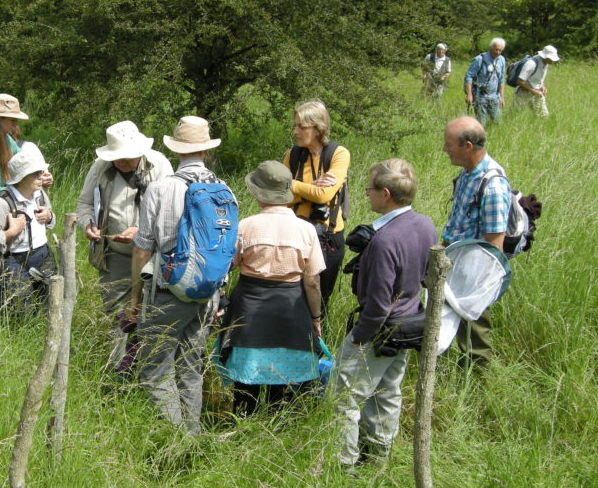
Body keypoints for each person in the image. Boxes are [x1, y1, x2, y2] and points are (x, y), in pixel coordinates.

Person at [128, 116, 235, 434]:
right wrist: (220, 292)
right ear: (205, 150)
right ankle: (193, 433)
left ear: (176, 149)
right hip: (207, 292)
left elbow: (143, 249)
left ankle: (179, 441)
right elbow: (227, 247)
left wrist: (135, 298)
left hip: (167, 290)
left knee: (154, 368)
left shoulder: (160, 189)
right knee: (190, 368)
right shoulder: (223, 190)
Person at [332, 159, 437, 470]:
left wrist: (358, 339)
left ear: (386, 194)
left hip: (379, 331)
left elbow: (378, 304)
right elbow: (427, 275)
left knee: (345, 400)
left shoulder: (383, 241)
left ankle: (345, 468)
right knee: (387, 394)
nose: (366, 195)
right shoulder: (425, 224)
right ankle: (378, 460)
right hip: (408, 327)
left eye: (369, 189)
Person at [216, 160, 325, 415]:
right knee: (283, 381)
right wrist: (316, 318)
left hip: (248, 310)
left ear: (258, 193)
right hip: (291, 310)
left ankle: (242, 429)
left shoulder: (245, 226)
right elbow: (312, 281)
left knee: (244, 387)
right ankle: (275, 428)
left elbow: (227, 266)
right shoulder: (306, 230)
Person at [76, 121, 173, 371]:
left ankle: (147, 368)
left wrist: (142, 232)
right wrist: (87, 225)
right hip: (114, 256)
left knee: (149, 312)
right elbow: (84, 203)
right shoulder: (100, 166)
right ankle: (117, 370)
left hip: (152, 255)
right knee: (116, 315)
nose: (121, 162)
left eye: (126, 157)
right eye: (116, 157)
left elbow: (172, 211)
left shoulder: (160, 165)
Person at [441, 116, 511, 366]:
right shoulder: (468, 173)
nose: (444, 149)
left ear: (467, 146)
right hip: (454, 263)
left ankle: (479, 384)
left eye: (449, 144)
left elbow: (494, 246)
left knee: (475, 334)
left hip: (474, 273)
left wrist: (480, 290)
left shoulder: (493, 187)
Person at [282, 100, 349, 319]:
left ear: (318, 128)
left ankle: (318, 345)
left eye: (301, 127)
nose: (295, 131)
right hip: (296, 233)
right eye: (295, 126)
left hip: (328, 237)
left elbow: (325, 195)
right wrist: (309, 187)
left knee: (321, 299)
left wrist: (292, 184)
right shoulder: (292, 155)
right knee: (293, 295)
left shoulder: (338, 154)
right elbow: (280, 197)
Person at [0, 148, 56, 316]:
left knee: (51, 308)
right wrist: (9, 233)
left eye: (41, 172)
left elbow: (50, 221)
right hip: (13, 261)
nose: (42, 176)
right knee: (21, 314)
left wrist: (49, 217)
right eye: (36, 174)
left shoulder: (38, 193)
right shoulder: (1, 203)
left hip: (43, 256)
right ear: (21, 178)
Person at [0, 93, 53, 203]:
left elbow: (24, 163)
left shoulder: (7, 139)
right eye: (13, 120)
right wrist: (21, 191)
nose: (16, 125)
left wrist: (40, 176)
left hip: (11, 202)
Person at [464, 38, 506, 125]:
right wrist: (469, 94)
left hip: (495, 96)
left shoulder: (501, 60)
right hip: (480, 96)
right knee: (480, 124)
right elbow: (469, 77)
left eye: (500, 50)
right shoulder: (479, 59)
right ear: (491, 47)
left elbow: (501, 79)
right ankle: (481, 138)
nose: (498, 52)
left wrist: (502, 97)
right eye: (496, 49)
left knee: (497, 123)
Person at [513, 45, 560, 117]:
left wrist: (542, 86)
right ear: (545, 56)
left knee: (544, 116)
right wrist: (533, 91)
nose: (552, 61)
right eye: (550, 58)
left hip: (538, 93)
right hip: (523, 93)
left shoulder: (546, 63)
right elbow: (520, 81)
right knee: (515, 116)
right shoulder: (531, 63)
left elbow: (539, 79)